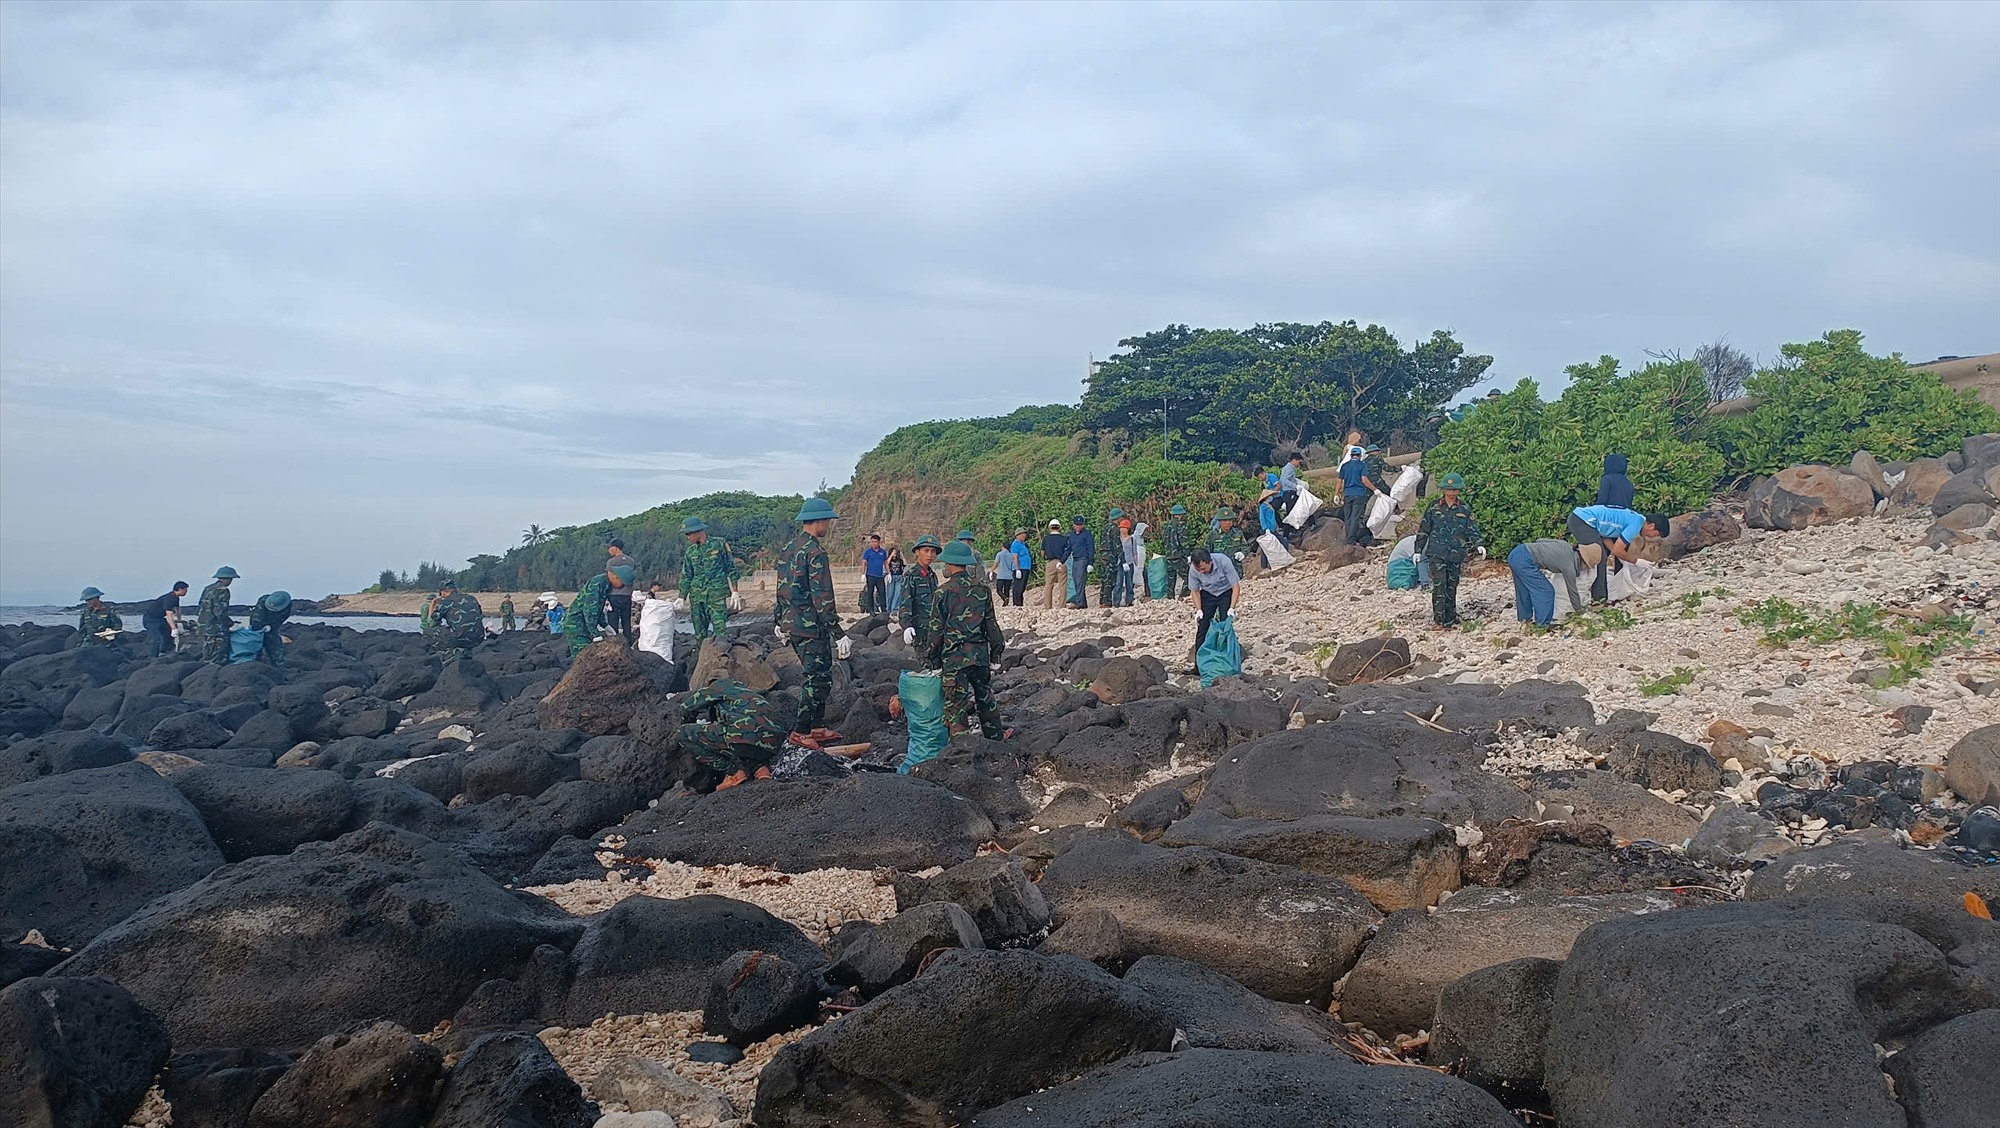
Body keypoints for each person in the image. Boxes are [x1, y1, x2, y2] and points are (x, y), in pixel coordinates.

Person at [924, 538, 1008, 741]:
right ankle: (996, 739)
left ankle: (962, 748)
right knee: (985, 698)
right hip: (979, 656)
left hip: (953, 660)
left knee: (956, 707)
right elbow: (992, 626)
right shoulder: (982, 590)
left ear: (949, 564)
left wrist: (933, 661)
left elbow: (935, 631)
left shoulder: (942, 592)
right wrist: (996, 654)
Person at [780, 497, 842, 746]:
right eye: (827, 521)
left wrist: (779, 620)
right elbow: (822, 595)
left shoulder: (789, 548)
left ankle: (816, 726)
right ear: (819, 521)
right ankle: (801, 731)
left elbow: (781, 589)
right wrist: (838, 631)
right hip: (811, 626)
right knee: (817, 678)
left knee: (821, 675)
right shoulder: (815, 552)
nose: (828, 525)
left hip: (792, 622)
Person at [679, 677, 787, 790]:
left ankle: (733, 773)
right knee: (749, 742)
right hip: (775, 742)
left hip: (741, 734)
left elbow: (686, 708)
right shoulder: (746, 692)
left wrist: (687, 723)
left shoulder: (718, 686)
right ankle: (761, 770)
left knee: (683, 734)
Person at [1416, 472, 1484, 629]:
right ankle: (1439, 620)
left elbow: (1472, 528)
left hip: (1455, 554)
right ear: (1444, 490)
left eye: (1455, 489)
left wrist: (1479, 544)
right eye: (1449, 489)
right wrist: (1418, 550)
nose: (1452, 492)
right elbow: (1424, 529)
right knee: (1440, 585)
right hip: (1437, 553)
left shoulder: (1464, 508)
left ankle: (1450, 619)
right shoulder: (1434, 507)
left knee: (1452, 586)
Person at [1568, 505, 1671, 603]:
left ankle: (1592, 591)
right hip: (1583, 520)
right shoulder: (1635, 525)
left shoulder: (1636, 518)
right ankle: (1599, 599)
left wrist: (1619, 555)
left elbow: (1604, 534)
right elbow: (1618, 550)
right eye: (1656, 534)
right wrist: (1637, 561)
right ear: (1651, 526)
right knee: (1599, 557)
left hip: (1582, 519)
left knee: (1600, 554)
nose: (1652, 537)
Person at [680, 516, 742, 642]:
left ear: (698, 531)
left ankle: (722, 658)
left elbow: (731, 567)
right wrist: (681, 596)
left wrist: (735, 591)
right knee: (699, 634)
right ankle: (701, 659)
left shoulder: (718, 544)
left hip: (716, 595)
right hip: (697, 597)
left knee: (720, 630)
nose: (687, 537)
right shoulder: (690, 552)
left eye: (689, 534)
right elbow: (686, 575)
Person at [1509, 539, 1585, 628]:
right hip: (1525, 561)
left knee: (1524, 589)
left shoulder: (1565, 544)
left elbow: (1539, 540)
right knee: (1546, 591)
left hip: (1517, 552)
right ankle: (1543, 624)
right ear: (1582, 561)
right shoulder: (1569, 566)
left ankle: (1524, 619)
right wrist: (1580, 612)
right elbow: (1572, 591)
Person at [563, 564, 629, 658]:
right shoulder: (597, 583)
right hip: (575, 624)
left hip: (585, 624)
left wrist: (605, 625)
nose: (622, 587)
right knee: (583, 656)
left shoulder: (607, 585)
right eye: (622, 583)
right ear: (616, 577)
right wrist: (595, 634)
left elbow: (598, 608)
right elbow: (589, 610)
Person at [1186, 548, 1240, 659]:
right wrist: (1199, 610)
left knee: (1225, 624)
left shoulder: (1223, 561)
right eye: (1198, 569)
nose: (1201, 572)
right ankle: (1199, 664)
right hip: (1208, 593)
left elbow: (1235, 586)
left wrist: (1232, 608)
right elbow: (1195, 591)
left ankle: (1228, 658)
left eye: (1203, 568)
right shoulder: (1193, 569)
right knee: (1202, 626)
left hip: (1225, 591)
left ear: (1209, 561)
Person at [1339, 446, 1389, 546]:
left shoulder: (1344, 466)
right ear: (1360, 455)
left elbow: (1339, 480)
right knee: (1355, 517)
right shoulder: (1362, 465)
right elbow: (1364, 480)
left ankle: (1348, 537)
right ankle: (1351, 540)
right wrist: (1375, 489)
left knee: (1348, 517)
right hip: (1359, 494)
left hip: (1347, 494)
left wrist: (1336, 494)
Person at [427, 579, 487, 663]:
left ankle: (451, 654)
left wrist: (432, 605)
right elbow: (479, 615)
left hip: (460, 638)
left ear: (442, 593)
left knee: (428, 632)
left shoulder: (444, 602)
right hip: (479, 637)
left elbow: (431, 623)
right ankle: (467, 652)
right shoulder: (472, 598)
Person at [900, 534, 942, 651]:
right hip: (919, 630)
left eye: (933, 551)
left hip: (934, 630)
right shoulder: (911, 575)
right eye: (926, 550)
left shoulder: (932, 575)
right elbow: (905, 603)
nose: (930, 555)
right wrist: (907, 626)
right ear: (917, 552)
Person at [197, 567, 238, 664]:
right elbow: (220, 612)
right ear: (229, 579)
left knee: (207, 654)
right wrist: (229, 623)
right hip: (217, 630)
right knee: (219, 657)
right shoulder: (223, 590)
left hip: (204, 626)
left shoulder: (208, 588)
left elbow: (200, 606)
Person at [604, 540, 639, 645]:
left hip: (613, 596)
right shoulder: (631, 561)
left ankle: (614, 645)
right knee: (626, 622)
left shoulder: (611, 562)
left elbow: (609, 579)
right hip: (627, 595)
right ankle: (628, 644)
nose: (609, 550)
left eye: (610, 548)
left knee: (613, 622)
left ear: (616, 548)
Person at [141, 581, 189, 657]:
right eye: (185, 590)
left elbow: (178, 609)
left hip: (160, 619)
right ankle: (152, 657)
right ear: (180, 589)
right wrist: (173, 628)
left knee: (167, 634)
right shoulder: (169, 598)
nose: (186, 592)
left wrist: (179, 621)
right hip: (150, 619)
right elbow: (169, 614)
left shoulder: (176, 598)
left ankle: (164, 651)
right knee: (156, 639)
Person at [246, 590, 293, 667]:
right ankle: (255, 664)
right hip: (258, 629)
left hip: (272, 629)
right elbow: (256, 620)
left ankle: (279, 666)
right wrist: (261, 628)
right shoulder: (263, 602)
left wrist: (271, 626)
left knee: (276, 647)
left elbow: (280, 619)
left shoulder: (287, 606)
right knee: (256, 646)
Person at [1161, 504, 1192, 599]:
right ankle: (1183, 596)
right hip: (1178, 556)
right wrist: (1188, 555)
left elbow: (1163, 541)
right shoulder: (1181, 525)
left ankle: (1170, 598)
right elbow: (1184, 542)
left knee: (1170, 579)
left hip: (1168, 555)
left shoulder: (1166, 526)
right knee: (1189, 577)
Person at [1096, 508, 1124, 607]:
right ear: (1118, 517)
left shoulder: (1105, 527)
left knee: (1104, 579)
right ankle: (1107, 602)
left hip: (1103, 556)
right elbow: (1117, 546)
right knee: (1110, 580)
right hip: (1111, 557)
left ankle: (1102, 600)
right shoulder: (1115, 529)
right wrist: (1123, 559)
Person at [1065, 516, 1094, 608]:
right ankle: (1083, 602)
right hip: (1075, 559)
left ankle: (1079, 603)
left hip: (1083, 559)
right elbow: (1068, 549)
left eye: (1080, 524)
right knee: (1076, 581)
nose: (1078, 526)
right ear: (1074, 525)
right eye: (1077, 524)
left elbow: (1091, 548)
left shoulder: (1087, 534)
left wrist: (1090, 562)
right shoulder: (1072, 535)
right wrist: (1061, 561)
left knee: (1080, 580)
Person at [1040, 519, 1069, 608]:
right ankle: (1062, 605)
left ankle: (1048, 606)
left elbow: (1042, 552)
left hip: (1050, 562)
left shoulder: (1046, 539)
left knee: (1048, 585)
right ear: (1059, 527)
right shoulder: (1064, 539)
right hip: (1061, 562)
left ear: (1050, 528)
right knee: (1062, 585)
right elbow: (1067, 551)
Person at [1110, 517, 1136, 605]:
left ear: (1128, 529)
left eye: (1124, 528)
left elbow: (1134, 552)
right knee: (1119, 582)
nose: (1122, 530)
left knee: (1129, 583)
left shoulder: (1132, 539)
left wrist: (1136, 563)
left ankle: (1129, 600)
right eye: (1121, 528)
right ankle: (1116, 601)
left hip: (1129, 562)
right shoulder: (1118, 538)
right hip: (1120, 563)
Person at [861, 534, 889, 614]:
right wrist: (863, 574)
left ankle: (884, 609)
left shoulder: (883, 552)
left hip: (880, 576)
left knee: (882, 592)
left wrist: (888, 572)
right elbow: (864, 562)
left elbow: (885, 562)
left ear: (879, 542)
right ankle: (871, 610)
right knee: (870, 592)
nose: (873, 543)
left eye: (875, 542)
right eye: (872, 542)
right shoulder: (868, 552)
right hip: (870, 575)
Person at [1124, 521, 1149, 603]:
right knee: (1131, 579)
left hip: (1140, 563)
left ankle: (1148, 594)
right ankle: (1128, 598)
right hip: (1133, 563)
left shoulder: (1141, 540)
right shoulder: (1132, 538)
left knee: (1145, 575)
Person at [1007, 528, 1032, 607]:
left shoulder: (1023, 544)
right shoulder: (1015, 544)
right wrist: (1018, 569)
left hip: (1026, 567)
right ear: (1018, 535)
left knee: (1022, 586)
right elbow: (1015, 557)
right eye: (1022, 534)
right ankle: (1016, 603)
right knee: (1018, 586)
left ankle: (1020, 602)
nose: (1024, 535)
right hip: (1020, 568)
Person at [991, 539, 1019, 605]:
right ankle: (1006, 603)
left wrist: (992, 570)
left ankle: (1004, 598)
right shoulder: (1011, 555)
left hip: (1001, 575)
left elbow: (996, 563)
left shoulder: (1000, 554)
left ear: (1003, 546)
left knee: (999, 590)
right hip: (1009, 575)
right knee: (1007, 590)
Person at [885, 547, 906, 614]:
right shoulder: (889, 560)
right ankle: (888, 609)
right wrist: (891, 555)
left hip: (899, 576)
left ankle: (894, 609)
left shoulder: (899, 560)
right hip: (891, 576)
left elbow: (905, 564)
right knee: (890, 593)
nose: (895, 553)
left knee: (898, 592)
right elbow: (886, 563)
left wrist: (902, 555)